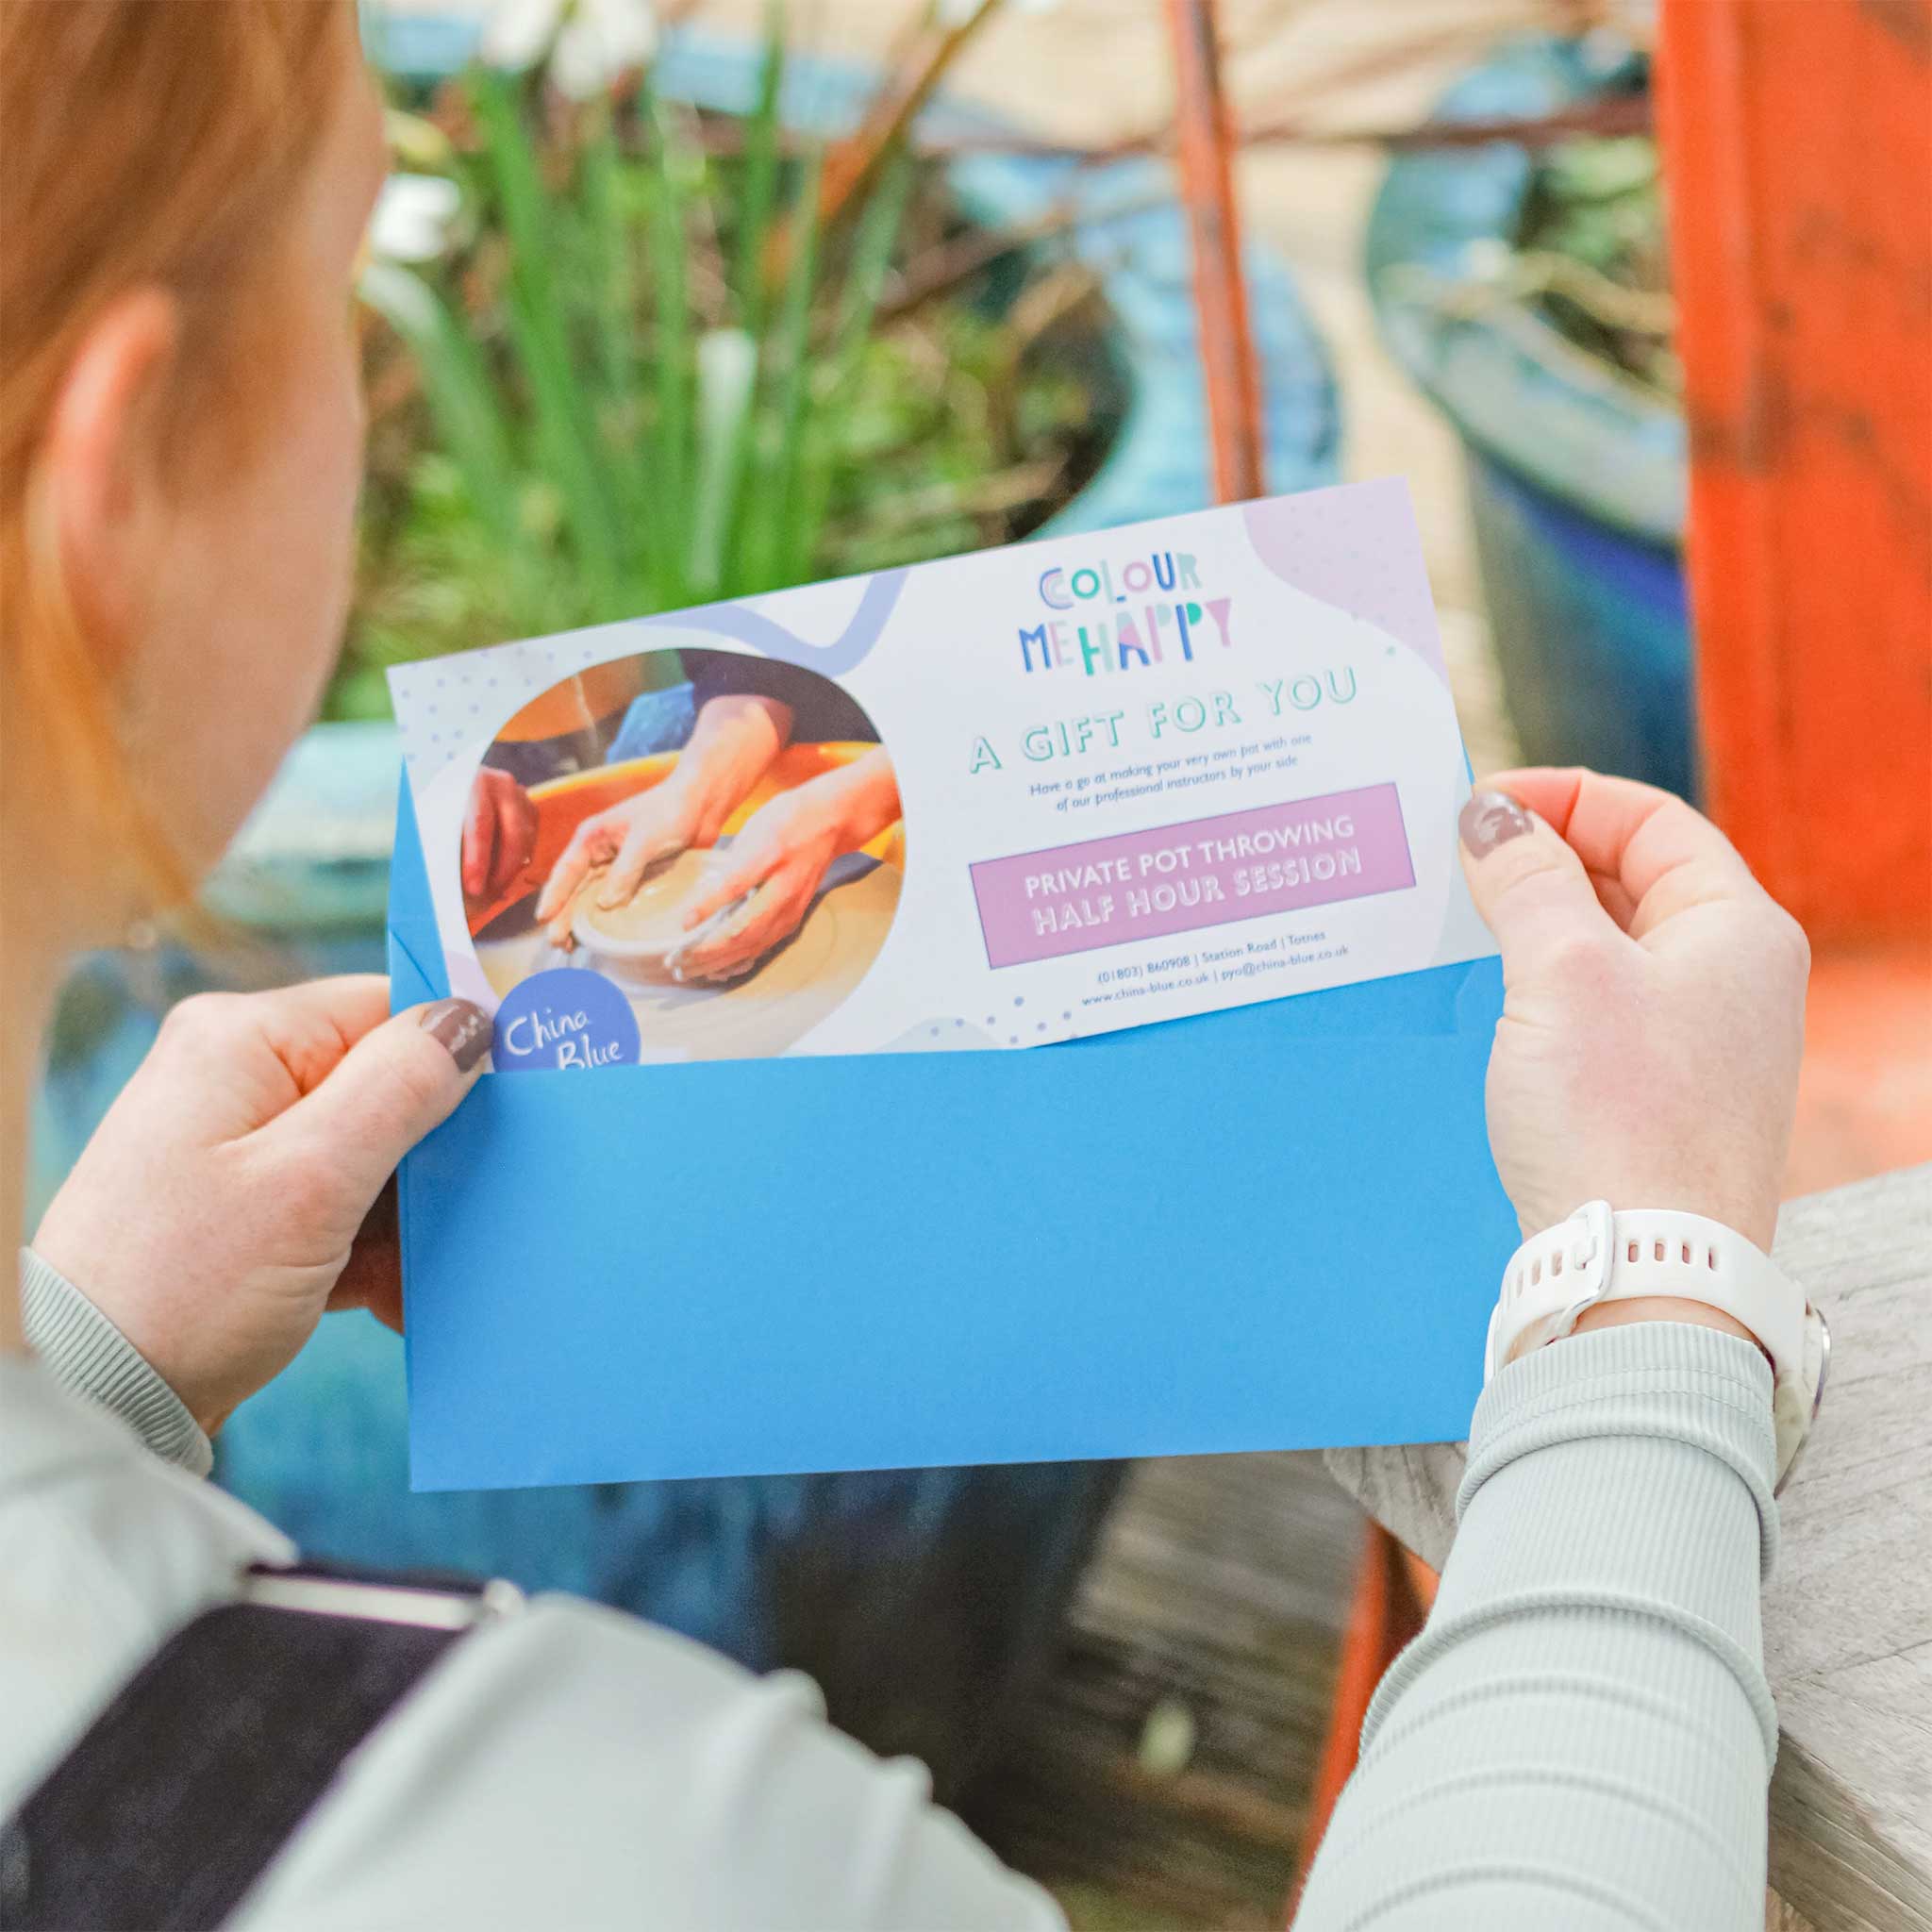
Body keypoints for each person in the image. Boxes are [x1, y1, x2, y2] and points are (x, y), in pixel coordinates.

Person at [0, 5, 1810, 1926]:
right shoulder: (596, 1851)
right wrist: (1651, 1297)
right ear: (117, 483)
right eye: (341, 288)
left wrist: (97, 1370)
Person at [463, 659, 901, 982]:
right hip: (802, 679)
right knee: (649, 733)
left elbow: (959, 730)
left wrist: (839, 811)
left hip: (910, 707)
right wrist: (691, 792)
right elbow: (754, 667)